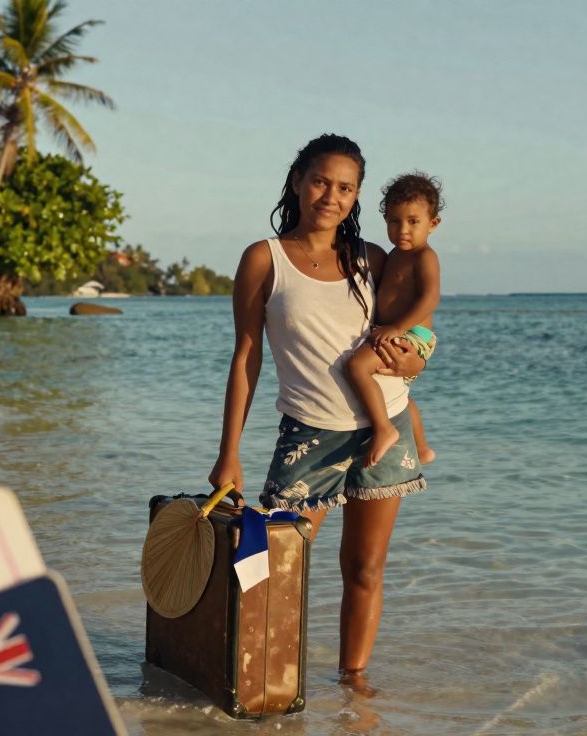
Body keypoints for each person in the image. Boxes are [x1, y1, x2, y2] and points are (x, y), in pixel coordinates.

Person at [208, 134, 428, 689]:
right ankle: (263, 685)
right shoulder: (265, 259)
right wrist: (228, 451)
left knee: (365, 569)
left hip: (386, 426)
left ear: (356, 197)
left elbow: (409, 335)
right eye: (321, 181)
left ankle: (354, 691)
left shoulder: (371, 259)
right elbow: (246, 356)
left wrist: (412, 365)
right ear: (298, 181)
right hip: (309, 434)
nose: (332, 195)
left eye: (346, 187)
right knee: (274, 567)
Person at [345, 172, 443, 468]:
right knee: (400, 394)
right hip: (397, 331)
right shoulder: (393, 255)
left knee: (357, 366)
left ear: (432, 224)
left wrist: (396, 328)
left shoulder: (424, 257)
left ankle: (384, 429)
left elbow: (429, 299)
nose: (402, 229)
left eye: (413, 222)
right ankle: (423, 448)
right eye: (394, 221)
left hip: (412, 334)